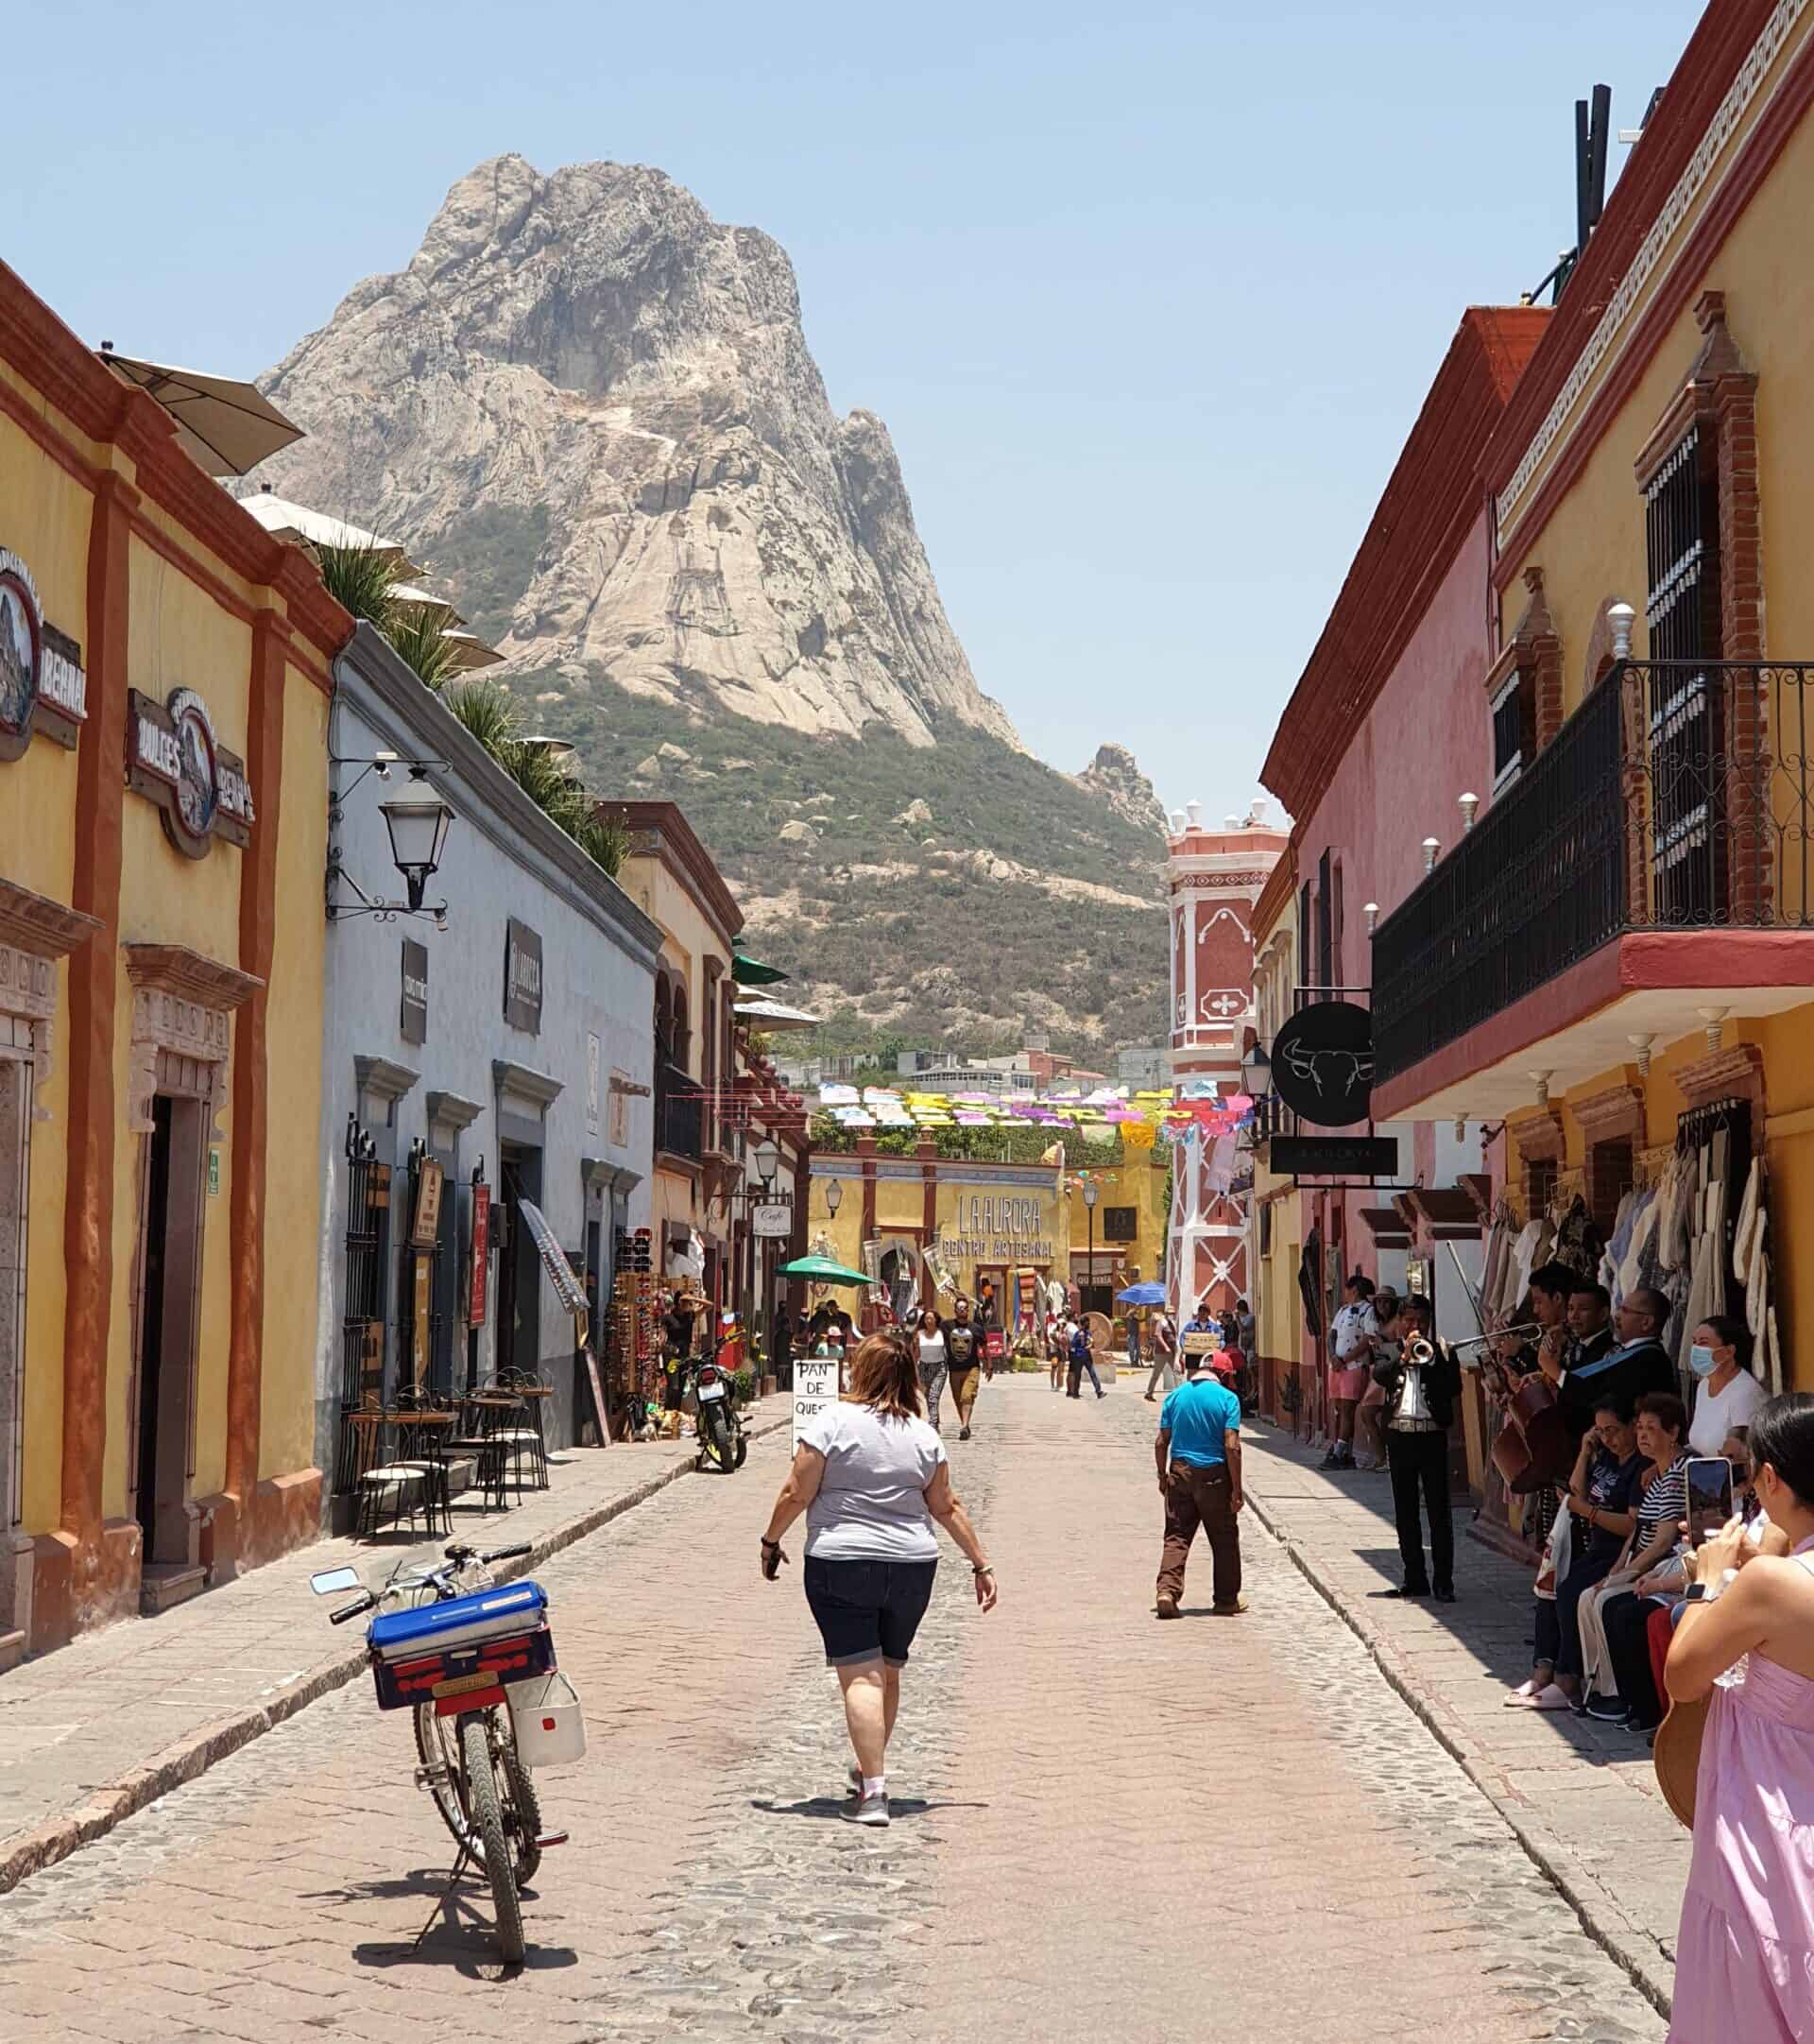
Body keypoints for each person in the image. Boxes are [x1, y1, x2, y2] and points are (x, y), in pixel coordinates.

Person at [759, 1331, 998, 1827]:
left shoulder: (832, 1422)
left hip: (841, 1562)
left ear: (859, 1371)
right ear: (910, 1375)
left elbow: (796, 1491)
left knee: (861, 1675)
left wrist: (770, 1540)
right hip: (912, 1568)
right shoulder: (923, 1435)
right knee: (887, 1671)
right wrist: (981, 1564)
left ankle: (873, 1792)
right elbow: (945, 1506)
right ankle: (872, 1770)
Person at [1663, 1391, 1814, 2043]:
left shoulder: (1770, 1585)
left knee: (1743, 1998)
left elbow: (1683, 1672)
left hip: (1762, 1829)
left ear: (1771, 1479)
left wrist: (1709, 1579)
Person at [1509, 1394, 1646, 1710]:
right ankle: (1543, 1671)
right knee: (1548, 1588)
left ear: (1631, 1427)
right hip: (1593, 1547)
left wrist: (1589, 1512)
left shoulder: (1640, 1468)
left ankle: (1567, 1677)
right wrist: (1586, 1454)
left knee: (1572, 1591)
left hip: (1617, 1553)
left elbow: (1630, 1525)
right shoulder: (1608, 1460)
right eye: (1600, 1432)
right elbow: (1574, 1493)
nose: (1607, 1439)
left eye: (1612, 1430)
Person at [1574, 1391, 1691, 1721]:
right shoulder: (1655, 1475)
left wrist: (1625, 1575)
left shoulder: (1680, 1473)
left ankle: (1621, 1694)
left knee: (1605, 1601)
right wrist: (1615, 1570)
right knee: (1587, 1596)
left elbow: (1663, 1540)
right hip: (1641, 1558)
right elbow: (1637, 1532)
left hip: (1662, 1563)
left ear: (1673, 1433)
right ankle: (1600, 1688)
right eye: (1639, 1428)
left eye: (1651, 1429)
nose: (1641, 1435)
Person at [1373, 1295, 1460, 1602]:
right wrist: (1404, 1358)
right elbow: (1380, 1375)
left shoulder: (1443, 1352)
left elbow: (1454, 1388)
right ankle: (1415, 1578)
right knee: (1405, 1512)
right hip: (1400, 1438)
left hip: (1431, 1436)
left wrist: (1432, 1359)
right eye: (1409, 1320)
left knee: (1439, 1512)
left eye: (1421, 1321)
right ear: (1400, 1322)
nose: (1416, 1326)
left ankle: (1443, 1582)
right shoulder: (1387, 1351)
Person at [1154, 1348, 1244, 1619]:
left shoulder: (1175, 1397)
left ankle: (1166, 1591)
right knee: (1224, 1537)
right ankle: (1227, 1599)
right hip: (1215, 1475)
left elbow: (1161, 1442)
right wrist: (1237, 1488)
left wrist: (1162, 1475)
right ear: (1223, 1375)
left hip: (1180, 1473)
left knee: (1177, 1535)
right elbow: (1232, 1444)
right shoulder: (1228, 1399)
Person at [1686, 1313, 1767, 1454]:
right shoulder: (1704, 1385)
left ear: (1729, 1351)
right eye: (1694, 1342)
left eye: (1704, 1342)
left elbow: (1739, 1454)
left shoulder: (1745, 1392)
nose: (1697, 1349)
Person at [1324, 1273, 1378, 1469]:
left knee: (1348, 1410)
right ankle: (1344, 1450)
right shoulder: (1343, 1310)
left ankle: (1339, 1452)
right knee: (1339, 1410)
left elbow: (1367, 1340)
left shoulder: (1368, 1311)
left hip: (1354, 1366)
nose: (1345, 1293)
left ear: (1354, 1290)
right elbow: (1332, 1335)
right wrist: (1333, 1357)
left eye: (1347, 1290)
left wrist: (1345, 1359)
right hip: (1336, 1366)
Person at [941, 1296, 986, 1440]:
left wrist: (989, 1365)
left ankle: (964, 1426)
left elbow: (985, 1347)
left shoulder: (976, 1329)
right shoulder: (946, 1326)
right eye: (959, 1308)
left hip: (971, 1368)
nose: (962, 1311)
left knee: (966, 1395)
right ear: (955, 1310)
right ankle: (965, 1425)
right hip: (954, 1369)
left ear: (968, 1310)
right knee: (958, 1399)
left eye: (965, 1308)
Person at [913, 1306, 948, 1433]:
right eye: (926, 1318)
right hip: (924, 1367)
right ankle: (935, 1421)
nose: (928, 1321)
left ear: (936, 1320)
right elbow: (916, 1353)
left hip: (939, 1368)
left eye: (931, 1318)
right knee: (928, 1396)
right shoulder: (919, 1334)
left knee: (934, 1396)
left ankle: (932, 1425)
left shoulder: (942, 1333)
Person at [1143, 1308, 1178, 1402]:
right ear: (1166, 1313)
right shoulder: (1162, 1322)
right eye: (1170, 1313)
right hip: (1161, 1352)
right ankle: (1149, 1393)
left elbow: (1174, 1336)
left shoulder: (1173, 1323)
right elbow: (1158, 1335)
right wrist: (1166, 1347)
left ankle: (1179, 1394)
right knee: (1156, 1374)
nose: (1172, 1314)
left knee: (1176, 1372)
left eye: (1173, 1313)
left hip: (1172, 1352)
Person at [1069, 1316, 1104, 1399]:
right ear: (1084, 1323)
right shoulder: (1080, 1333)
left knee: (1088, 1374)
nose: (1089, 1324)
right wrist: (1081, 1341)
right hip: (1081, 1357)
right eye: (1087, 1322)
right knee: (1083, 1375)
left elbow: (1091, 1344)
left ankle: (1098, 1392)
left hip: (1083, 1356)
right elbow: (1074, 1344)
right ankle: (1077, 1393)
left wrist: (1090, 1344)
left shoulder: (1086, 1333)